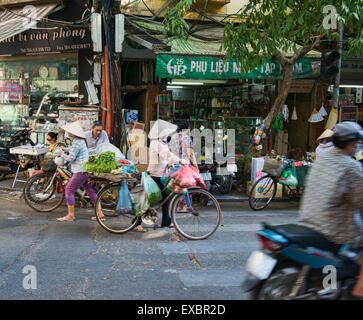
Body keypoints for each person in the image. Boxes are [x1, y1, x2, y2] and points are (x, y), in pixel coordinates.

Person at [299, 121, 363, 298]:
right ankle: (358, 290)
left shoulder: (323, 157)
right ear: (352, 143)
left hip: (308, 218)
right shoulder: (351, 166)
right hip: (332, 228)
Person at [56, 121, 105, 222]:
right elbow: (73, 149)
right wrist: (65, 149)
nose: (68, 133)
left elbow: (71, 158)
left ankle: (70, 215)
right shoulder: (79, 140)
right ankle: (100, 213)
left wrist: (61, 153)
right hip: (85, 169)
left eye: (69, 131)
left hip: (80, 171)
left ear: (74, 133)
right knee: (90, 191)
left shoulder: (77, 141)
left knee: (69, 190)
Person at [147, 119, 186, 228]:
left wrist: (172, 164)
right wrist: (180, 160)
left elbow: (166, 157)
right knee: (151, 200)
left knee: (165, 196)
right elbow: (167, 155)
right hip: (155, 175)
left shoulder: (162, 141)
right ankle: (137, 223)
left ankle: (166, 222)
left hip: (160, 173)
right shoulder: (156, 143)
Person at [169, 120, 198, 212]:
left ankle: (178, 206)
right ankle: (184, 207)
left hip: (174, 166)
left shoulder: (173, 138)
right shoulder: (187, 138)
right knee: (186, 186)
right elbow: (191, 154)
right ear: (187, 129)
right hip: (184, 166)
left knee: (177, 186)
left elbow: (169, 151)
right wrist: (196, 166)